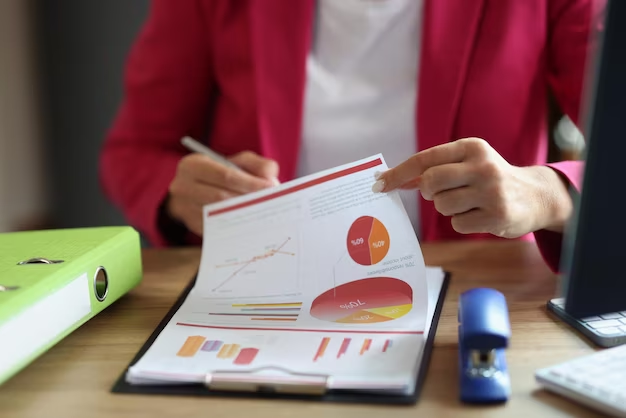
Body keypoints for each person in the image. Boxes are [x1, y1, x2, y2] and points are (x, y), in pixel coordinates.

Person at [99, 0, 605, 272]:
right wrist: (177, 193)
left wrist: (549, 194)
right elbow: (134, 150)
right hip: (270, 286)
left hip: (476, 290)